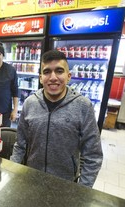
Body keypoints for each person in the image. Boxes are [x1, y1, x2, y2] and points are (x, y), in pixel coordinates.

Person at [10, 50, 103, 188]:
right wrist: (11, 172)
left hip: (66, 184)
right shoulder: (30, 103)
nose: (53, 77)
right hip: (31, 179)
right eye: (47, 72)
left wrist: (83, 190)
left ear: (68, 76)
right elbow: (20, 145)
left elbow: (93, 155)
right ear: (41, 78)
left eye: (59, 71)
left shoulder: (83, 106)